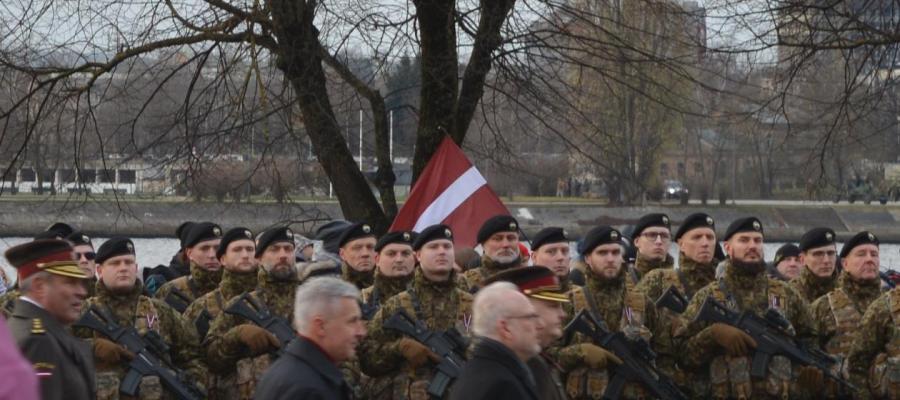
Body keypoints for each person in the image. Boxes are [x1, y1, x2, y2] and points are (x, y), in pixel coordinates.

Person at [677, 217, 820, 399]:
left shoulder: (787, 293)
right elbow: (682, 356)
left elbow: (810, 340)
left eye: (757, 240)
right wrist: (713, 335)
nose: (752, 246)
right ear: (728, 248)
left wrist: (809, 373)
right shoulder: (709, 296)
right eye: (744, 240)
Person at [76, 236, 206, 400]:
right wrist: (92, 346)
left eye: (128, 263)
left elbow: (192, 356)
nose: (123, 268)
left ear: (136, 268)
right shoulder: (83, 311)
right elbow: (57, 347)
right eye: (115, 263)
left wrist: (193, 382)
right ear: (99, 271)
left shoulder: (160, 310)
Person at [359, 224, 474, 400]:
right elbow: (367, 360)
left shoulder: (473, 304)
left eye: (447, 246)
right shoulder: (397, 304)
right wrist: (398, 349)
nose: (442, 252)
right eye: (433, 247)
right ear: (418, 255)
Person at [556, 225, 670, 399]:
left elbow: (665, 354)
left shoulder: (642, 302)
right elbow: (545, 355)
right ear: (587, 258)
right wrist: (579, 352)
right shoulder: (569, 303)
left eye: (616, 253)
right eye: (602, 253)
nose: (610, 259)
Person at [205, 226, 298, 399]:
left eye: (288, 249)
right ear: (259, 258)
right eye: (275, 249)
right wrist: (236, 336)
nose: (283, 255)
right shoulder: (244, 303)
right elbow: (211, 359)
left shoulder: (314, 300)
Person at [634, 212, 718, 395]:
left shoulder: (722, 286)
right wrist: (638, 335)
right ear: (680, 244)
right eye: (697, 237)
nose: (705, 243)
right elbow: (629, 311)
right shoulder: (659, 279)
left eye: (710, 237)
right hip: (671, 383)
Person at [5, 239, 93, 400]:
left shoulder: (19, 327)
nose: (82, 292)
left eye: (81, 283)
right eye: (70, 282)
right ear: (39, 287)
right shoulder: (37, 341)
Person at [253, 277, 366, 400]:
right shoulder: (306, 390)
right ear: (321, 326)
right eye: (352, 321)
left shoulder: (298, 375)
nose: (361, 332)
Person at [182, 227, 258, 399]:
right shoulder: (201, 307)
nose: (245, 255)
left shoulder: (266, 299)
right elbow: (188, 356)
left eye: (250, 249)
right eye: (237, 250)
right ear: (222, 259)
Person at [810, 231, 881, 399]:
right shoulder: (823, 306)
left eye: (874, 254)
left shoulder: (891, 305)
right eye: (861, 254)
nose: (869, 259)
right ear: (845, 263)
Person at [484, 267, 571, 400]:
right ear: (523, 308)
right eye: (553, 306)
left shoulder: (532, 361)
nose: (563, 314)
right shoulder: (515, 369)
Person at [449, 281, 543, 400]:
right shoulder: (500, 385)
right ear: (505, 328)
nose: (539, 325)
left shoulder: (491, 372)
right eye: (530, 317)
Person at [155, 222, 224, 312]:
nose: (212, 255)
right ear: (189, 253)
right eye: (204, 248)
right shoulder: (171, 291)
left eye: (217, 248)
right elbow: (151, 323)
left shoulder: (236, 288)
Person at [361, 230, 416, 319]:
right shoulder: (363, 299)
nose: (399, 259)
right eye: (391, 254)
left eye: (405, 253)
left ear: (414, 258)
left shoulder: (429, 293)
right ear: (377, 260)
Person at [462, 215, 522, 292]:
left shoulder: (532, 277)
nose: (506, 244)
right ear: (483, 245)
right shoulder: (466, 281)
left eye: (511, 238)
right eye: (498, 239)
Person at [790, 227, 839, 303]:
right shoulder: (787, 293)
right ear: (802, 259)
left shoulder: (847, 290)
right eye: (818, 254)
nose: (826, 260)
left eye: (831, 253)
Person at [529, 227, 577, 293]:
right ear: (534, 257)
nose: (560, 257)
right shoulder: (522, 295)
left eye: (565, 251)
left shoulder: (584, 296)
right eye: (551, 251)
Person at [629, 213, 674, 283]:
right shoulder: (623, 282)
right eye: (652, 235)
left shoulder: (682, 281)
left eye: (664, 236)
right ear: (637, 241)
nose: (659, 241)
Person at [337, 222, 377, 290]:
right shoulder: (335, 292)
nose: (365, 253)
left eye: (370, 247)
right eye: (357, 248)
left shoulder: (394, 284)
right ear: (342, 254)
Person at [66, 231, 98, 297]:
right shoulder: (59, 300)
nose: (84, 260)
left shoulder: (109, 298)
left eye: (89, 255)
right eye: (77, 256)